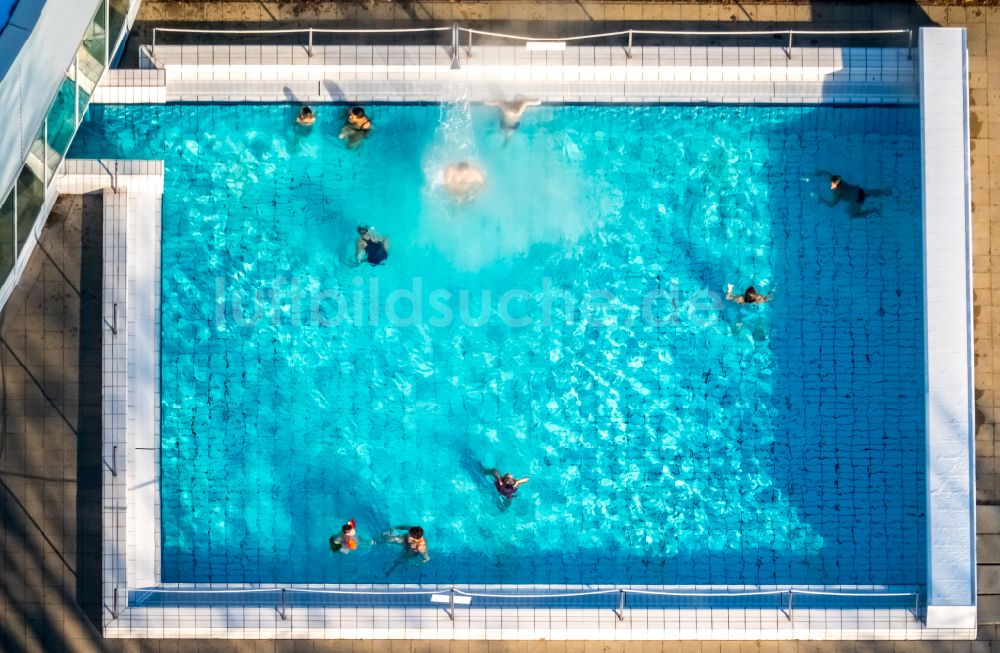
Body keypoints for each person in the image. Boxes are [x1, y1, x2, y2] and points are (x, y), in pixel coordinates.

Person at [813, 170, 886, 218]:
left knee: (851, 215)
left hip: (857, 199)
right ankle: (885, 191)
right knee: (870, 192)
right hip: (858, 190)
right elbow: (827, 173)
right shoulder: (836, 180)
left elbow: (831, 205)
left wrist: (820, 199)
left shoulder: (838, 194)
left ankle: (873, 211)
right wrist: (819, 173)